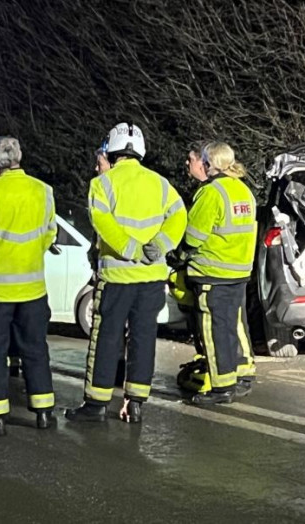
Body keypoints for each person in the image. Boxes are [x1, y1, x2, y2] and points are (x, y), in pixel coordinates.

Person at [65, 123, 187, 423]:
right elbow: (178, 215)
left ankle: (96, 404)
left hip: (118, 278)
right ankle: (134, 403)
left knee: (106, 338)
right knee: (143, 339)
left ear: (112, 149)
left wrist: (130, 249)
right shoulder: (160, 184)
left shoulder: (102, 184)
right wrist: (158, 246)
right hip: (152, 278)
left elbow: (103, 224)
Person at [0, 137, 57, 435]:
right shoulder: (44, 191)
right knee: (35, 349)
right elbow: (49, 235)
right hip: (33, 289)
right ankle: (44, 412)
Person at [177, 142, 258, 404]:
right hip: (239, 270)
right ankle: (244, 374)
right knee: (236, 324)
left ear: (209, 164)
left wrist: (178, 256)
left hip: (213, 270)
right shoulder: (242, 190)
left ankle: (222, 387)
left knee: (215, 330)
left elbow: (194, 236)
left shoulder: (211, 192)